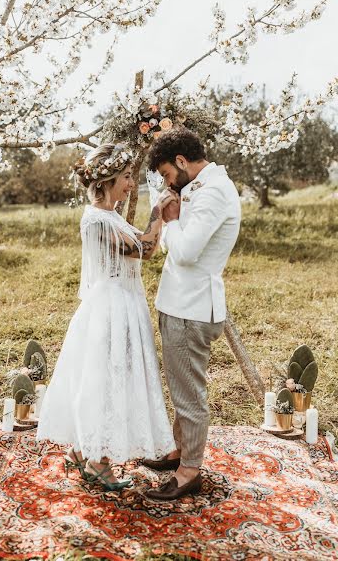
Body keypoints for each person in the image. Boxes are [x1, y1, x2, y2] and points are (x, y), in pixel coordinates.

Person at [36, 143, 176, 492]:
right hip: (111, 309)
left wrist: (157, 217)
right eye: (127, 177)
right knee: (107, 382)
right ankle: (98, 462)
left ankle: (84, 452)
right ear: (109, 180)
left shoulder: (111, 216)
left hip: (124, 304)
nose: (131, 185)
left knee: (112, 378)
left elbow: (147, 248)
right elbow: (145, 249)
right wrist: (158, 210)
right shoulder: (97, 220)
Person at [144, 128, 241, 501]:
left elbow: (184, 253)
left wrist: (170, 221)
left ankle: (189, 471)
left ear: (182, 162)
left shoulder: (215, 192)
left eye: (169, 174)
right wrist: (177, 215)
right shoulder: (201, 187)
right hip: (180, 304)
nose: (170, 182)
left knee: (189, 395)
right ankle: (178, 451)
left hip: (193, 308)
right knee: (181, 386)